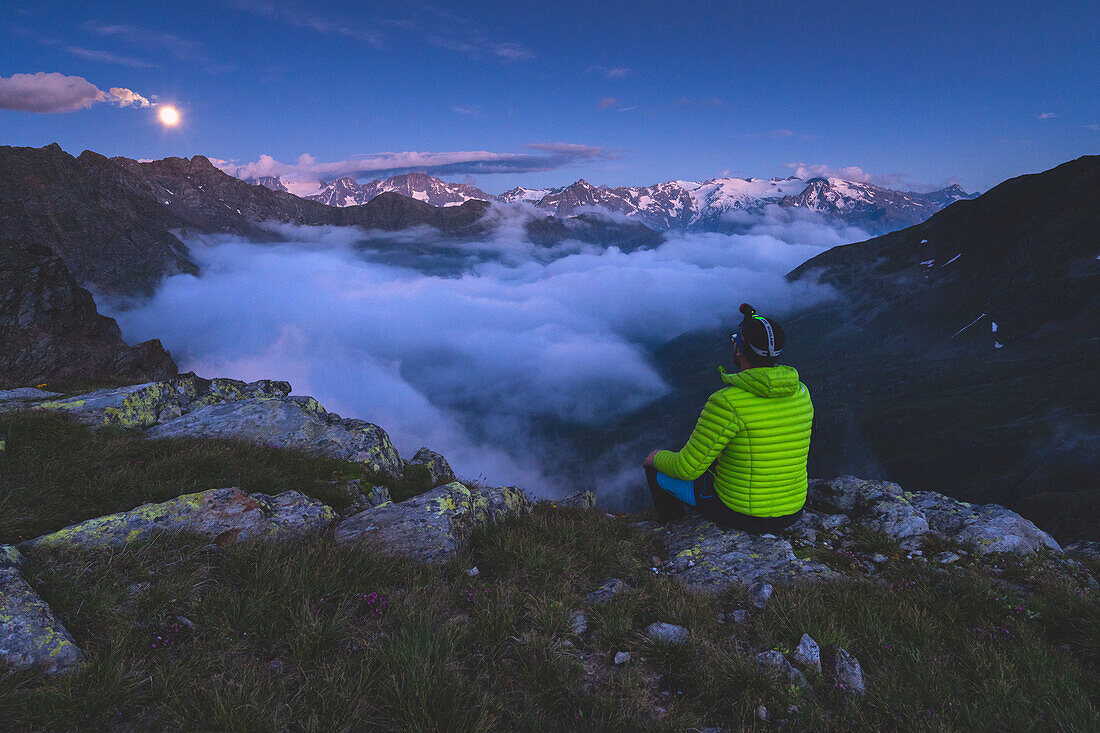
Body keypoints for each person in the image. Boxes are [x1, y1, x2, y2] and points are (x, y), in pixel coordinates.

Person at [643, 303, 813, 533]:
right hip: (793, 510)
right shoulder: (801, 392)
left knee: (657, 469)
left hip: (745, 515)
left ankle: (672, 529)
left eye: (736, 340)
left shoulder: (727, 402)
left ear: (740, 350)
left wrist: (656, 457)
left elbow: (686, 469)